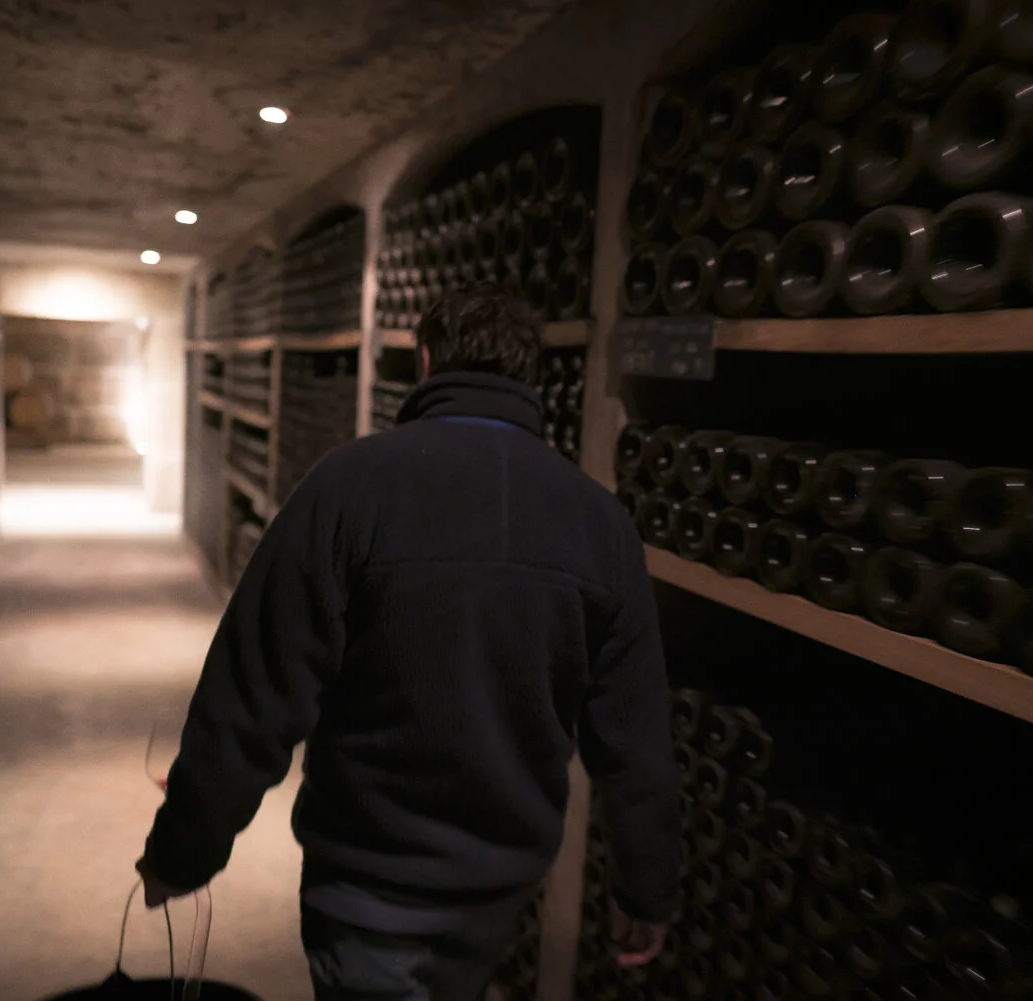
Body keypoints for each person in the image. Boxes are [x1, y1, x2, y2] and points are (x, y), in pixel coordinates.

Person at [136, 282, 680, 1001]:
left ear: (426, 360)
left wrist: (183, 850)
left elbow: (254, 692)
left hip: (364, 886)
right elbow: (636, 741)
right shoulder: (600, 524)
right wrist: (647, 888)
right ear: (530, 375)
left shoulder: (350, 485)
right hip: (498, 894)